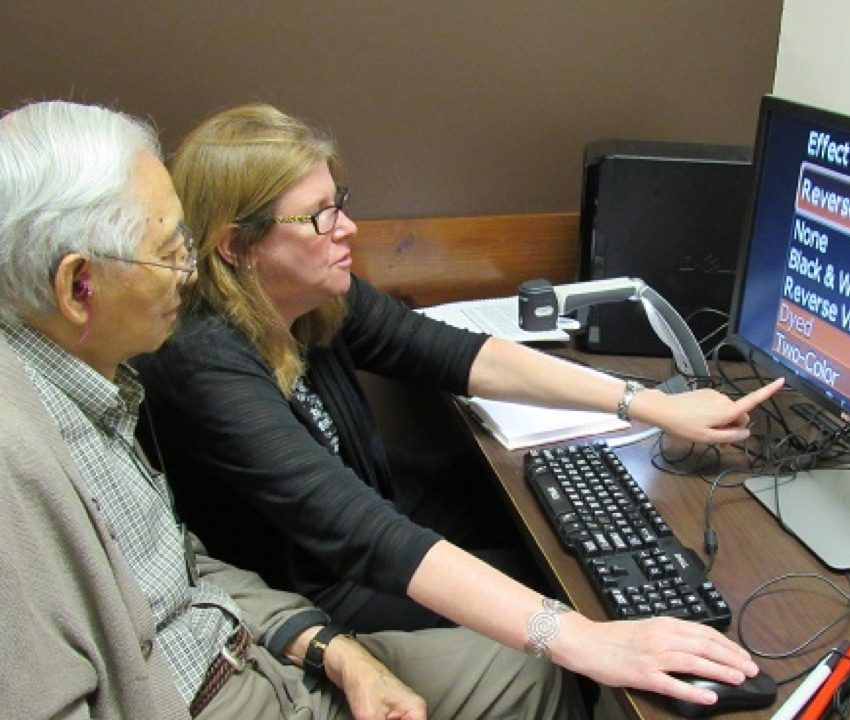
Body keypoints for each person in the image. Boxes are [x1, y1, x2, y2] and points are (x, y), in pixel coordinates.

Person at [135, 102, 783, 709]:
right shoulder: (202, 361)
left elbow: (461, 355)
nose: (348, 229)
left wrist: (645, 404)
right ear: (236, 245)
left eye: (341, 204)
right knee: (567, 594)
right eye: (318, 216)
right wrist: (582, 639)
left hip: (381, 516)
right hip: (316, 587)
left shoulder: (316, 295)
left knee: (561, 540)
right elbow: (360, 530)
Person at [0, 100, 581, 720]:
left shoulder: (95, 389)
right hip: (225, 683)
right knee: (548, 636)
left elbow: (186, 571)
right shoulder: (25, 458)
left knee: (530, 667)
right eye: (169, 252)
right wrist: (580, 638)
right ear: (77, 287)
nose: (187, 272)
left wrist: (328, 651)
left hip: (258, 646)